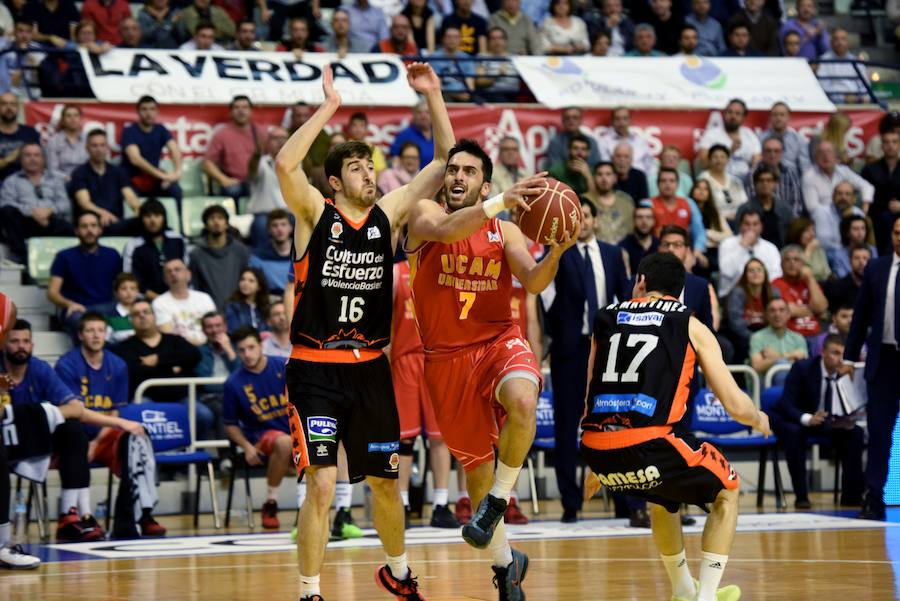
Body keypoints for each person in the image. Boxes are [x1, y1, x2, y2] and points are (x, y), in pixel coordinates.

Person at [275, 63, 453, 601]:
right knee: (323, 484)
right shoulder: (314, 214)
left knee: (383, 482)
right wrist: (328, 109)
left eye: (370, 167)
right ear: (335, 181)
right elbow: (285, 162)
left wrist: (434, 95)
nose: (369, 175)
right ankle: (309, 592)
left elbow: (444, 164)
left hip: (371, 371)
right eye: (356, 168)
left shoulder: (388, 215)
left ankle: (398, 574)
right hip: (315, 371)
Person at [405, 134, 575, 595]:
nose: (457, 176)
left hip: (499, 342)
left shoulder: (507, 232)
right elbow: (447, 232)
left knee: (524, 397)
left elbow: (535, 282)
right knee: (476, 473)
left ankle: (500, 498)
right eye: (453, 169)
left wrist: (556, 253)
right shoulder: (423, 214)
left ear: (484, 185)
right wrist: (501, 201)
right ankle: (506, 565)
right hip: (446, 361)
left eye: (469, 171)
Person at [581, 252, 770, 601]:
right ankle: (706, 596)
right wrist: (759, 419)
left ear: (641, 282)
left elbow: (590, 388)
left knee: (663, 494)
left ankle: (683, 589)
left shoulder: (605, 317)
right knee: (728, 488)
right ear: (680, 294)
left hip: (595, 446)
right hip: (651, 442)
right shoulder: (689, 323)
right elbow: (733, 403)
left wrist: (595, 463)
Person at [542, 199, 627, 523]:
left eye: (587, 215)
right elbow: (544, 296)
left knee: (613, 423)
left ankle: (623, 498)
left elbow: (625, 297)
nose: (583, 222)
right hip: (571, 349)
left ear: (595, 219)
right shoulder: (558, 253)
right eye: (578, 217)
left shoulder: (611, 253)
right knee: (567, 426)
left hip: (606, 348)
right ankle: (570, 502)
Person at [55, 312, 166, 537]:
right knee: (74, 434)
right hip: (70, 437)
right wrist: (91, 443)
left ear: (106, 334)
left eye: (100, 330)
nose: (96, 336)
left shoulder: (117, 365)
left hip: (102, 437)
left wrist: (97, 442)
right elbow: (76, 412)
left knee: (138, 437)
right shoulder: (67, 364)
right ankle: (80, 517)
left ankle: (139, 514)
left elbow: (116, 409)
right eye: (90, 330)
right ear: (80, 335)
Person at [1, 319, 102, 542]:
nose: (21, 346)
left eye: (26, 341)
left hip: (32, 440)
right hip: (3, 440)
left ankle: (71, 515)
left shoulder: (39, 368)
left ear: (32, 345)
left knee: (74, 431)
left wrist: (38, 415)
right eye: (14, 341)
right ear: (3, 345)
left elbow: (75, 407)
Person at [391, 255, 459, 529]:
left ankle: (442, 504)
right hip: (404, 360)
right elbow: (385, 322)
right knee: (403, 440)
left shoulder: (445, 268)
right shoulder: (396, 272)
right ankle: (402, 503)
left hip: (438, 359)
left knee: (440, 438)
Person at [844, 215, 900, 520]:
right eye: (895, 232)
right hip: (885, 361)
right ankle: (874, 499)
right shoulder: (877, 268)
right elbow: (861, 316)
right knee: (879, 433)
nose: (899, 237)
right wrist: (850, 357)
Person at [768, 335, 864, 509]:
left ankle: (851, 496)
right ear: (823, 353)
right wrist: (807, 418)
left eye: (843, 354)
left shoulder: (846, 372)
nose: (840, 358)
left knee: (855, 433)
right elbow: (787, 403)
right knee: (794, 433)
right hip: (794, 419)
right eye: (835, 353)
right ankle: (801, 495)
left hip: (827, 422)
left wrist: (846, 419)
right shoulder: (802, 368)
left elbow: (851, 406)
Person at [223, 326, 294, 529]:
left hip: (294, 432)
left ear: (261, 345)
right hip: (260, 438)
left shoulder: (283, 366)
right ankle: (270, 503)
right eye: (242, 350)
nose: (247, 354)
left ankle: (337, 510)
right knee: (283, 442)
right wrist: (246, 447)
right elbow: (230, 424)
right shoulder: (233, 383)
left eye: (251, 347)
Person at [113, 299, 204, 408]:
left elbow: (195, 355)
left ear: (154, 316)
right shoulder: (124, 347)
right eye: (136, 314)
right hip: (145, 397)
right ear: (131, 321)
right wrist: (172, 367)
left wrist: (159, 359)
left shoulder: (174, 340)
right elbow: (135, 371)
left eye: (146, 312)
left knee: (203, 415)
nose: (142, 316)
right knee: (140, 411)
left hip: (181, 397)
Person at [47, 211, 123, 335]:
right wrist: (70, 304)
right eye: (84, 226)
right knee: (87, 328)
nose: (89, 230)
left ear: (100, 229)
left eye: (93, 225)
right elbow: (52, 293)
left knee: (127, 328)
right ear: (76, 230)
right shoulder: (64, 256)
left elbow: (122, 287)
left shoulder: (112, 255)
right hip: (78, 310)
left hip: (108, 308)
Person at [0, 142, 73, 261]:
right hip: (25, 223)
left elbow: (65, 204)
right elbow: (5, 203)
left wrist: (49, 211)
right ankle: (22, 258)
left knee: (69, 227)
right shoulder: (12, 180)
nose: (32, 159)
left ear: (43, 159)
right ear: (20, 159)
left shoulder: (55, 179)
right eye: (27, 155)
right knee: (8, 212)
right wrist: (31, 212)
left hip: (50, 221)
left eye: (36, 155)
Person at [69, 129, 143, 236]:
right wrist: (103, 213)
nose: (99, 149)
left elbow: (130, 197)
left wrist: (139, 210)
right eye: (94, 145)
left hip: (116, 223)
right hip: (91, 224)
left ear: (107, 148)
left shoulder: (118, 172)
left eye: (102, 145)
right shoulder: (79, 173)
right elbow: (84, 203)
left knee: (148, 221)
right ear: (87, 148)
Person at [120, 95, 183, 209]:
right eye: (144, 109)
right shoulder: (129, 131)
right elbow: (135, 159)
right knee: (130, 201)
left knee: (175, 190)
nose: (148, 113)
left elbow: (174, 149)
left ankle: (180, 224)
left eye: (152, 109)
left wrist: (177, 173)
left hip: (153, 180)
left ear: (157, 111)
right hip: (132, 181)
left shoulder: (161, 129)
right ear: (138, 111)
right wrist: (162, 175)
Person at [122, 199, 189, 300]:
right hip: (146, 300)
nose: (153, 220)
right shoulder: (133, 245)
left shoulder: (177, 239)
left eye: (157, 216)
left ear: (164, 218)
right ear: (141, 219)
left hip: (178, 297)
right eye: (147, 216)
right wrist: (158, 299)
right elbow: (131, 279)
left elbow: (186, 271)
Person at [188, 205, 251, 310]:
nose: (216, 221)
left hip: (238, 309)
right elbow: (195, 286)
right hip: (208, 311)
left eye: (220, 218)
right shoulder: (196, 254)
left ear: (226, 224)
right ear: (206, 225)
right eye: (211, 218)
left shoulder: (241, 250)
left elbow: (247, 280)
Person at [203, 95, 260, 201]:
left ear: (251, 111)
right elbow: (207, 163)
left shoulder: (260, 133)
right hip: (235, 182)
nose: (241, 111)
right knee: (233, 190)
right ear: (231, 112)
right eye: (237, 108)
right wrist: (223, 179)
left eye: (245, 107)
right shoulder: (222, 134)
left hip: (257, 180)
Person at [717, 208, 782, 297]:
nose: (751, 228)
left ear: (761, 226)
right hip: (732, 295)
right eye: (747, 224)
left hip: (763, 295)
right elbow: (727, 272)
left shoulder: (770, 248)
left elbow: (776, 275)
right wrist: (742, 246)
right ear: (740, 226)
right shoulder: (727, 244)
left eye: (755, 224)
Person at [152, 258, 217, 346]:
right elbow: (168, 335)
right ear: (165, 279)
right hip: (180, 350)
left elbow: (216, 327)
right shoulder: (159, 303)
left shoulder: (204, 298)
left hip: (209, 346)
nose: (173, 273)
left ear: (188, 274)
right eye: (169, 271)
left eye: (177, 269)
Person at [724, 258, 778, 362]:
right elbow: (736, 324)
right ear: (745, 275)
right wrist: (757, 340)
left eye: (759, 270)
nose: (755, 273)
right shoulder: (737, 293)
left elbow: (779, 316)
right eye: (751, 270)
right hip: (743, 335)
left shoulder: (773, 292)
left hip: (766, 333)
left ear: (765, 273)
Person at [802, 140, 874, 214]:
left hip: (846, 214)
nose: (825, 155)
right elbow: (812, 208)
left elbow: (867, 186)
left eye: (829, 151)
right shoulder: (809, 176)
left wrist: (865, 207)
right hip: (822, 217)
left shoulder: (843, 170)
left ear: (835, 156)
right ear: (816, 158)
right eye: (821, 152)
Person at [772, 245, 827, 339]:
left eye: (796, 259)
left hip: (816, 334)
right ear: (781, 264)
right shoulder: (775, 284)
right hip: (791, 337)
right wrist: (812, 311)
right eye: (787, 260)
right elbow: (787, 311)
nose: (791, 263)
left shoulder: (809, 282)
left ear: (803, 264)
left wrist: (810, 278)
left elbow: (821, 308)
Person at [698, 99, 761, 180]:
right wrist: (729, 152)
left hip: (746, 181)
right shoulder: (712, 134)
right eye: (730, 112)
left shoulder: (749, 134)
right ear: (724, 114)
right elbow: (704, 163)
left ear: (744, 117)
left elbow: (756, 162)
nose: (733, 116)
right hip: (719, 179)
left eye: (737, 113)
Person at [861, 129, 900, 254]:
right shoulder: (870, 169)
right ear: (881, 146)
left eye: (894, 142)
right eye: (887, 142)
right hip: (878, 216)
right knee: (884, 218)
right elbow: (867, 197)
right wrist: (886, 205)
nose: (890, 146)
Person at [749, 297, 809, 377]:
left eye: (781, 310)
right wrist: (790, 356)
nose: (777, 314)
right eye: (772, 310)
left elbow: (804, 366)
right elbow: (757, 366)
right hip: (767, 386)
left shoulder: (798, 338)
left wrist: (774, 358)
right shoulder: (757, 337)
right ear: (766, 315)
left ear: (788, 314)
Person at [746, 136, 803, 218]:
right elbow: (752, 202)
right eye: (768, 151)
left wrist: (790, 222)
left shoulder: (790, 173)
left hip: (787, 221)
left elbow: (797, 203)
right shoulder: (752, 174)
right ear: (762, 153)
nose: (772, 154)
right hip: (761, 220)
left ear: (782, 153)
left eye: (776, 151)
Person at [738, 164, 792, 248]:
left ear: (775, 184)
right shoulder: (745, 208)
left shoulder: (785, 208)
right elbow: (738, 235)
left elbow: (790, 236)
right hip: (754, 250)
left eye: (769, 180)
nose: (765, 184)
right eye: (761, 181)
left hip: (781, 252)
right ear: (755, 184)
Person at [598, 107, 655, 180]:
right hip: (615, 182)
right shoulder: (604, 141)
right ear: (612, 121)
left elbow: (651, 165)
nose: (621, 122)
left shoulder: (640, 141)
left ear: (630, 121)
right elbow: (604, 165)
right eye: (617, 119)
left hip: (639, 180)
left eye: (625, 118)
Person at [584, 161, 634, 244]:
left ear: (615, 178)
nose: (604, 178)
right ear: (594, 178)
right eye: (600, 174)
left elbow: (632, 233)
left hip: (623, 251)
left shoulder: (626, 202)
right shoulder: (585, 201)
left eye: (608, 174)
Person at [760, 102, 812, 179]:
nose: (778, 118)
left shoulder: (798, 140)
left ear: (789, 117)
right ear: (770, 117)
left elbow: (805, 167)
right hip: (767, 180)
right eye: (775, 115)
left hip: (792, 180)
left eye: (782, 115)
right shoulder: (761, 138)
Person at [249, 209, 293, 295]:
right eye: (275, 225)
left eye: (283, 224)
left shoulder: (302, 252)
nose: (279, 229)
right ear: (269, 229)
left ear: (290, 228)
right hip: (269, 300)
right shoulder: (258, 256)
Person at [0, 92, 40, 182]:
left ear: (18, 108)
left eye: (13, 104)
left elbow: (40, 163)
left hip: (27, 180)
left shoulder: (31, 132)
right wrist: (10, 158)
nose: (9, 108)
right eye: (4, 104)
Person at [45, 104, 87, 180]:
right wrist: (70, 178)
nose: (73, 119)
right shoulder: (54, 141)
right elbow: (52, 171)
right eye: (68, 116)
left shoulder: (87, 140)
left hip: (86, 181)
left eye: (76, 115)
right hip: (62, 183)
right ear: (63, 120)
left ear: (80, 118)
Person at [390, 102, 434, 169]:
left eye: (427, 112)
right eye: (419, 112)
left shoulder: (438, 135)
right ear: (413, 115)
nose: (423, 116)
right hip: (413, 177)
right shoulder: (404, 136)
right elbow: (395, 160)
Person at [619, 202, 659, 276]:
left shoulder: (660, 245)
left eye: (648, 217)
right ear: (634, 220)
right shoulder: (623, 246)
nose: (644, 221)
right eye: (639, 217)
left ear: (653, 221)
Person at [225, 267, 270, 333]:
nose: (245, 283)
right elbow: (233, 330)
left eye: (251, 281)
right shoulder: (232, 306)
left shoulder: (266, 307)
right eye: (242, 279)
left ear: (259, 287)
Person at [650, 168, 693, 235]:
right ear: (657, 184)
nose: (667, 184)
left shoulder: (687, 203)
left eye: (672, 181)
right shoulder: (649, 204)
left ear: (677, 184)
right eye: (663, 181)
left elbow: (697, 230)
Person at [105, 272, 140, 344]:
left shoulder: (143, 313)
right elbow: (104, 343)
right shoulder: (110, 316)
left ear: (137, 292)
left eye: (133, 288)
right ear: (116, 293)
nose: (129, 292)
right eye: (124, 289)